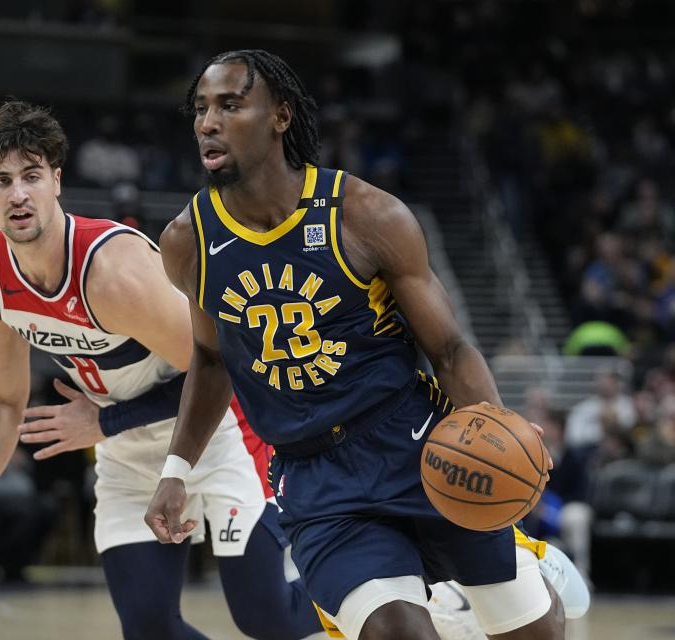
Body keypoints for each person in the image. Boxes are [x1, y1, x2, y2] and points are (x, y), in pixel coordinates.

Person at [146, 49, 576, 640]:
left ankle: (512, 571)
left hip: (416, 445)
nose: (207, 123)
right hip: (316, 478)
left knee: (535, 633)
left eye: (229, 105)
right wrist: (176, 470)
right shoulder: (187, 241)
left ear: (280, 116)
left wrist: (500, 434)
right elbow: (212, 359)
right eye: (200, 109)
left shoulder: (367, 215)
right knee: (397, 634)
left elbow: (449, 350)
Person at [0, 100, 325, 640]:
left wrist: (105, 424)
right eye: (1, 180)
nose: (18, 193)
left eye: (31, 176)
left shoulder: (112, 271)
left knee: (266, 618)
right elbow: (2, 403)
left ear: (56, 182)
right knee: (149, 630)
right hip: (127, 455)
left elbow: (229, 367)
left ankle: (401, 585)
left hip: (216, 431)